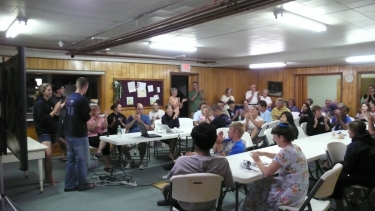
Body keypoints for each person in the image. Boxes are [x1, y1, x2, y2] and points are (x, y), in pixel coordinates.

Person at [157, 123, 233, 210]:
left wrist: (185, 160)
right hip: (209, 204)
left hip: (185, 205)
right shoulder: (223, 162)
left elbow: (173, 182)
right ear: (214, 140)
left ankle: (168, 201)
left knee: (166, 188)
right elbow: (227, 183)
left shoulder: (182, 161)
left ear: (194, 141)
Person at [238, 123, 308, 211]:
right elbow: (281, 157)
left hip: (291, 194)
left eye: (274, 137)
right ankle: (249, 207)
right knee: (262, 182)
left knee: (259, 184)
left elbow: (267, 172)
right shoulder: (295, 147)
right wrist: (264, 153)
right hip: (300, 190)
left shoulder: (285, 152)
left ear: (281, 138)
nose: (273, 139)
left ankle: (248, 208)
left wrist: (257, 160)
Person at [330, 121, 375, 209]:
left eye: (349, 129)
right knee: (339, 166)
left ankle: (339, 206)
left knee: (336, 176)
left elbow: (347, 168)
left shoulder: (354, 146)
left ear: (353, 131)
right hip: (371, 174)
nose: (347, 131)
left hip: (366, 179)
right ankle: (355, 198)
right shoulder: (372, 141)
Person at [64, 77, 95, 191]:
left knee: (71, 160)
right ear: (85, 86)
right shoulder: (82, 99)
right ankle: (83, 184)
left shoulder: (69, 98)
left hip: (69, 132)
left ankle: (69, 185)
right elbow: (86, 117)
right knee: (82, 161)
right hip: (79, 134)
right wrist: (91, 112)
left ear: (76, 85)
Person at [33, 83, 62, 187]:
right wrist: (54, 110)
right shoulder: (39, 103)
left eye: (51, 90)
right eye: (48, 90)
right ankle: (49, 178)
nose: (50, 91)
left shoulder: (48, 102)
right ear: (43, 92)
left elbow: (53, 118)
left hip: (52, 131)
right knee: (48, 155)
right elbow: (42, 119)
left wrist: (57, 112)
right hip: (44, 131)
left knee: (49, 156)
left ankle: (49, 176)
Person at [124, 103, 151, 170]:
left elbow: (148, 128)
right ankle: (130, 160)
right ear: (135, 109)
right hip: (131, 137)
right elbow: (126, 127)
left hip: (142, 136)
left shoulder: (146, 117)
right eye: (139, 109)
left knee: (142, 145)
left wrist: (140, 120)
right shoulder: (131, 117)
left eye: (142, 109)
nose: (140, 111)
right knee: (123, 146)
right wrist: (134, 120)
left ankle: (141, 161)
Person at [87, 105, 111, 172]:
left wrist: (105, 117)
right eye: (97, 111)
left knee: (105, 138)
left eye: (99, 110)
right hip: (91, 138)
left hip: (100, 137)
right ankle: (107, 165)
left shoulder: (102, 117)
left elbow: (105, 126)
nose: (99, 112)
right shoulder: (88, 119)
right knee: (105, 141)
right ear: (92, 112)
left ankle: (98, 153)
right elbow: (91, 129)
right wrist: (97, 119)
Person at [49, 82, 67, 162]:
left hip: (65, 119)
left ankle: (62, 155)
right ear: (57, 90)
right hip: (57, 120)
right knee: (58, 137)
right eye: (62, 88)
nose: (64, 90)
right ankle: (69, 146)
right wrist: (65, 102)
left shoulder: (64, 97)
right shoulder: (52, 99)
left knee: (64, 136)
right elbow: (58, 108)